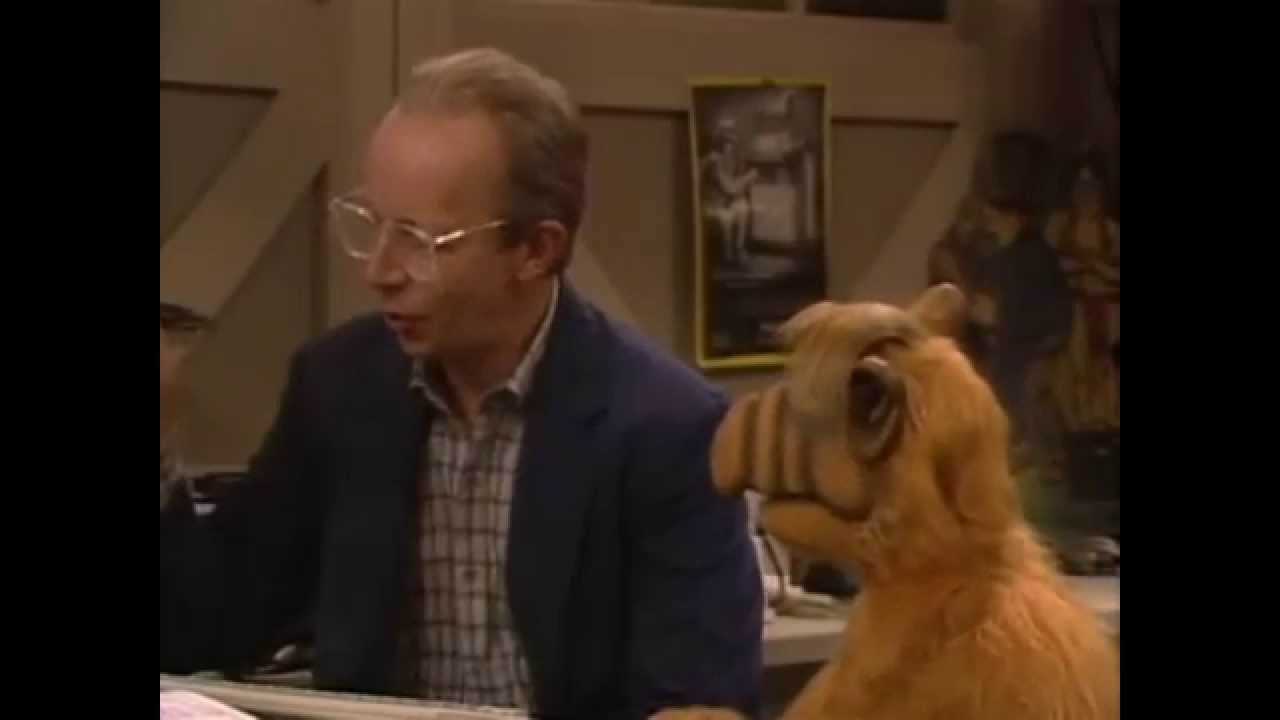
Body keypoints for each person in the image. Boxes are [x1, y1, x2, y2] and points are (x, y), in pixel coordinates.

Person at [159, 47, 764, 720]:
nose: (380, 272)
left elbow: (697, 698)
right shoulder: (339, 388)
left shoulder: (666, 428)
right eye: (372, 225)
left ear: (536, 249)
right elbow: (202, 623)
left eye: (422, 241)